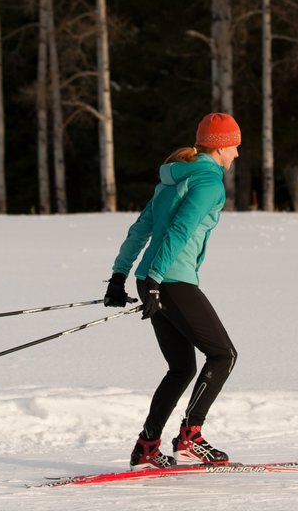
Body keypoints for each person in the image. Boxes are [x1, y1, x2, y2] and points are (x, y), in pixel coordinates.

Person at [104, 112, 241, 470]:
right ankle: (190, 437)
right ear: (221, 147)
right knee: (223, 355)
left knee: (181, 368)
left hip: (153, 278)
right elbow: (178, 233)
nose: (237, 155)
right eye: (235, 147)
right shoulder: (210, 183)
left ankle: (146, 447)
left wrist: (121, 277)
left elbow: (141, 229)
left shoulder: (172, 178)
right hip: (172, 279)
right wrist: (157, 281)